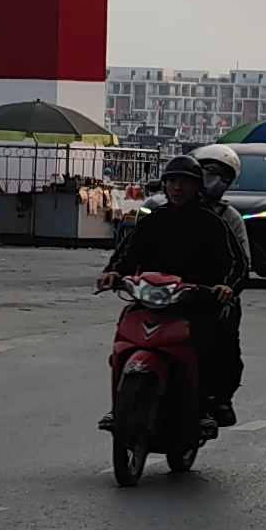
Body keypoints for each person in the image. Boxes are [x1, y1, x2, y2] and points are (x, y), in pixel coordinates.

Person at [96, 154, 239, 439]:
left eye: (184, 182)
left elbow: (235, 264)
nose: (177, 188)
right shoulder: (154, 220)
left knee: (208, 343)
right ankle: (118, 406)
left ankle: (203, 408)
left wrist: (226, 287)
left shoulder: (213, 224)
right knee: (124, 334)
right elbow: (127, 254)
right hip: (151, 298)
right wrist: (113, 273)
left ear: (197, 187)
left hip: (195, 302)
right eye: (172, 181)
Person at [192, 143, 252, 426]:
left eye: (218, 174)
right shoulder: (164, 212)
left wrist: (228, 289)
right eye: (205, 171)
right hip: (168, 291)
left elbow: (242, 264)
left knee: (220, 344)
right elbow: (139, 248)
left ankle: (216, 398)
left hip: (212, 295)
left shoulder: (229, 219)